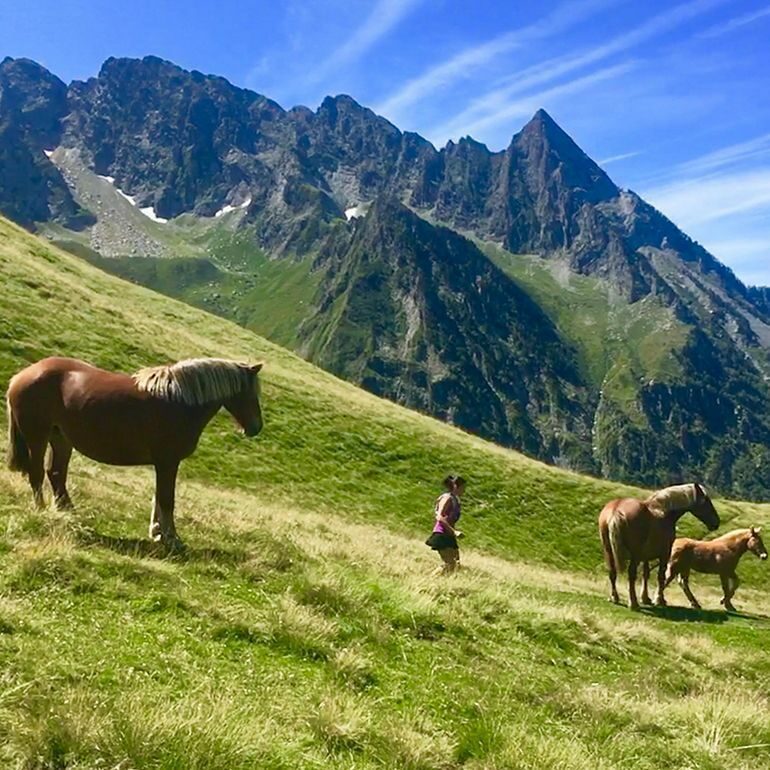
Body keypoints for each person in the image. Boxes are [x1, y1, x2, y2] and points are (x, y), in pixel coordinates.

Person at [425, 475, 466, 573]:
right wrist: (454, 531)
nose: (464, 490)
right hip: (441, 533)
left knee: (456, 565)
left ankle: (443, 584)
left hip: (449, 535)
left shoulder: (455, 500)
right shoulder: (447, 498)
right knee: (449, 564)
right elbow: (439, 517)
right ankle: (428, 581)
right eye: (463, 488)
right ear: (456, 486)